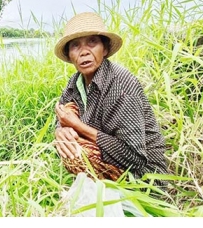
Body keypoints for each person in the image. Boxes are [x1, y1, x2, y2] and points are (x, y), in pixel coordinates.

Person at [53, 12, 168, 186]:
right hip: (111, 160)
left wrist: (77, 126)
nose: (84, 52)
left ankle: (119, 201)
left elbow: (134, 158)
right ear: (69, 55)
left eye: (92, 42)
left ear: (105, 49)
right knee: (65, 138)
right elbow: (62, 117)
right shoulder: (75, 83)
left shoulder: (121, 86)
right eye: (76, 46)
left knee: (77, 152)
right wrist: (60, 131)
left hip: (144, 176)